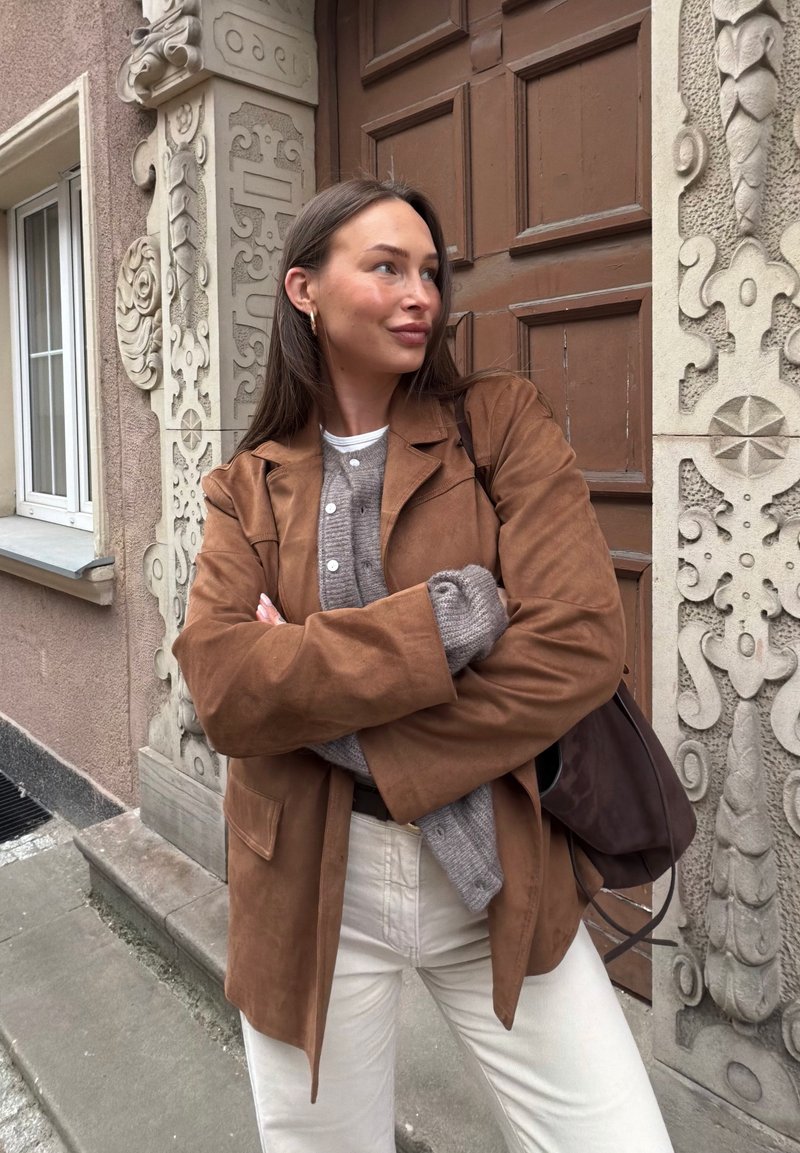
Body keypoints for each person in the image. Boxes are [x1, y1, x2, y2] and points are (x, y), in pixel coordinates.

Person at [172, 178, 674, 1153]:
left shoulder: (499, 424)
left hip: (496, 866)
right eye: (386, 268)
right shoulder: (245, 488)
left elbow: (575, 643)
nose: (420, 296)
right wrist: (450, 623)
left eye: (430, 273)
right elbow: (226, 689)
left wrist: (316, 703)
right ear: (304, 290)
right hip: (308, 887)